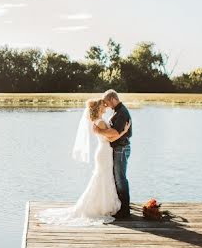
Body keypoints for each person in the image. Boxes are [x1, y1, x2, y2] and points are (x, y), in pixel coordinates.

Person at [38, 97, 130, 226]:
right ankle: (102, 205)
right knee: (103, 177)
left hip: (103, 152)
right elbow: (111, 139)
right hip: (104, 152)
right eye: (104, 105)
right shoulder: (101, 123)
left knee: (103, 177)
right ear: (99, 108)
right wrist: (124, 131)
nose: (106, 107)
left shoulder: (98, 121)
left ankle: (102, 204)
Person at [100, 90, 132, 219]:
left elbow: (114, 133)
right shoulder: (117, 111)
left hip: (121, 148)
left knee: (120, 178)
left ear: (113, 98)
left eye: (107, 102)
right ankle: (120, 205)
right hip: (118, 148)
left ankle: (125, 210)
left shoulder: (121, 113)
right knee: (117, 178)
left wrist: (99, 131)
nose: (106, 106)